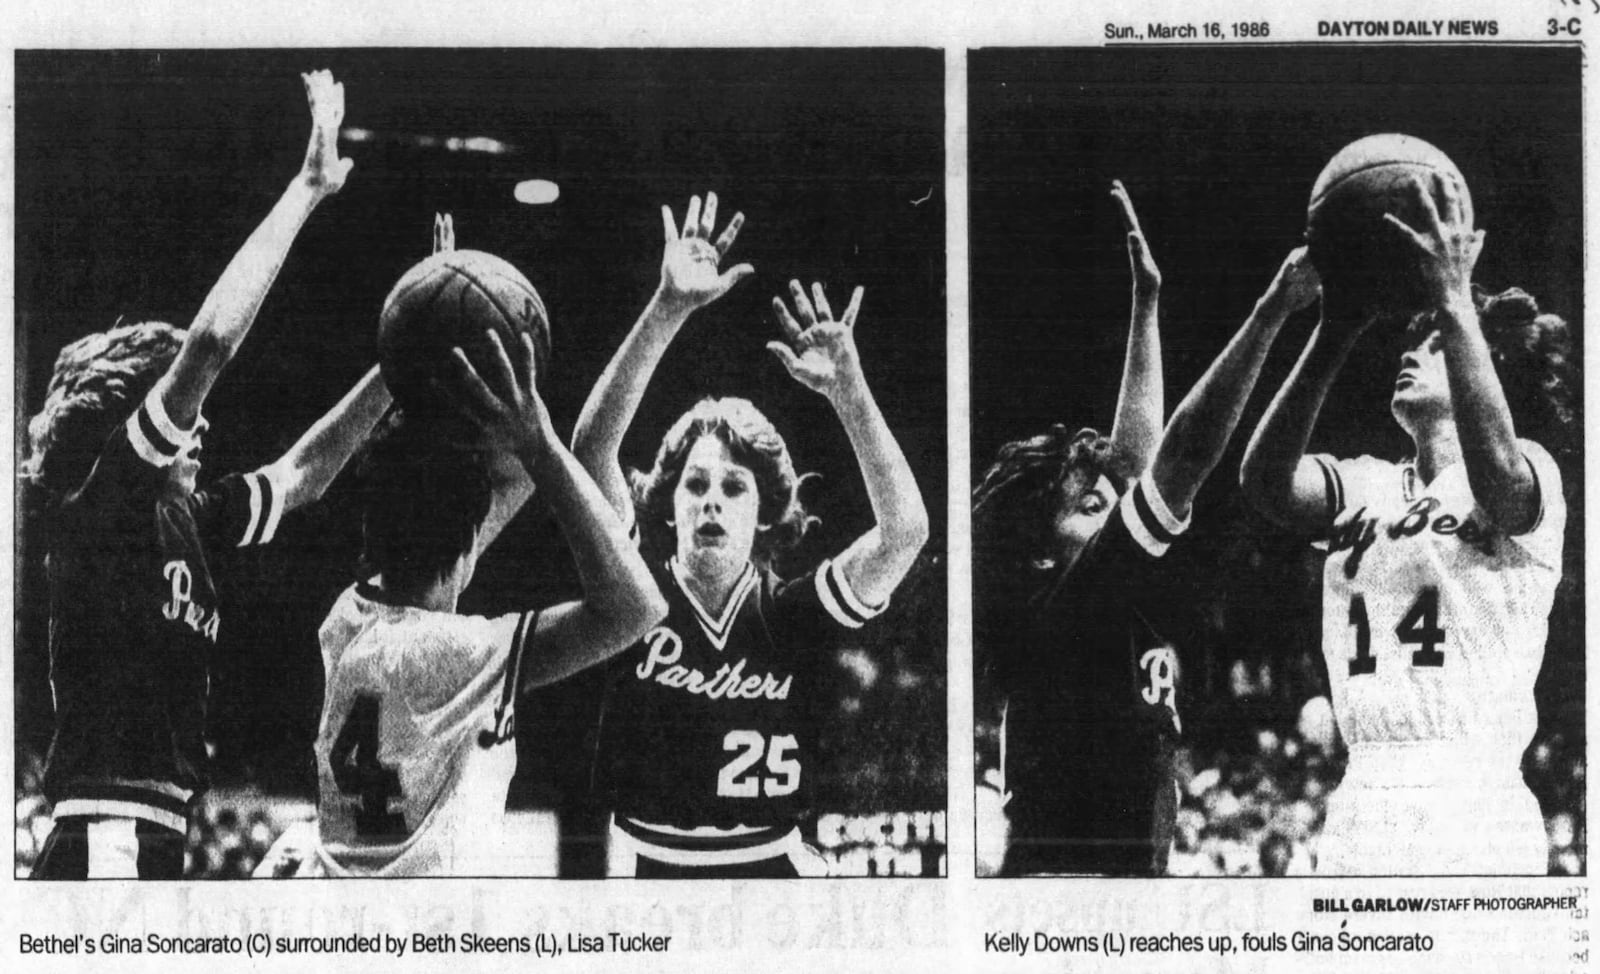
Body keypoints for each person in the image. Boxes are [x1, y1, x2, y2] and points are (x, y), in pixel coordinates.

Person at [20, 71, 390, 879]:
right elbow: (211, 347)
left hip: (156, 828)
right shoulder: (104, 505)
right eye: (182, 412)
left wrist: (402, 360)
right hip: (108, 829)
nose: (204, 426)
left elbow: (302, 475)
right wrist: (308, 188)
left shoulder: (188, 519)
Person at [571, 193, 929, 877]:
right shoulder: (633, 590)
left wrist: (851, 393)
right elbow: (593, 451)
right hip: (646, 867)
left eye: (735, 487)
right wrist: (667, 308)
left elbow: (906, 531)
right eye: (695, 485)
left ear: (765, 512)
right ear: (665, 504)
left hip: (774, 872)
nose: (712, 501)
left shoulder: (792, 610)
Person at [974, 181, 1320, 876]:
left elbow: (1136, 467)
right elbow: (1181, 457)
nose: (1121, 507)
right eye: (1092, 508)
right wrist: (1273, 308)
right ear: (1040, 555)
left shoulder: (1090, 601)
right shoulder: (1063, 613)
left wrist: (1147, 305)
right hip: (1069, 898)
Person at [302, 226, 666, 878]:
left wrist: (425, 347)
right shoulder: (462, 653)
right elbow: (635, 609)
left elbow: (460, 514)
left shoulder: (347, 617)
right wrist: (538, 442)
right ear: (470, 543)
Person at [1239, 174, 1572, 875]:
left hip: (1472, 791)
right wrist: (1335, 328)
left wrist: (1454, 295)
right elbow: (1264, 483)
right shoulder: (1366, 481)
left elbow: (1504, 484)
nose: (1409, 354)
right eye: (1412, 344)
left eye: (1437, 347)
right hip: (1362, 794)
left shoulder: (1531, 474)